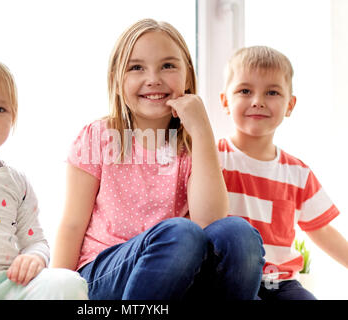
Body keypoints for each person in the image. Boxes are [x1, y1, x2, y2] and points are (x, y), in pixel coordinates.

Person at [51, 19, 265, 300]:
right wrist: (54, 290)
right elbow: (72, 225)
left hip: (176, 274)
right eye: (136, 67)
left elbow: (210, 221)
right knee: (180, 233)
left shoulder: (193, 148)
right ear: (117, 80)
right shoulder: (99, 136)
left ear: (187, 76)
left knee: (237, 233)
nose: (153, 78)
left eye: (168, 66)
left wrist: (201, 131)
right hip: (105, 274)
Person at [0, 56, 88, 300]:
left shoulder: (15, 181)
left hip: (6, 284)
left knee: (67, 282)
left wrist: (34, 257)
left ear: (13, 118)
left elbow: (36, 240)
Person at [218, 46, 348, 300]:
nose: (258, 100)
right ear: (225, 101)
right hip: (229, 279)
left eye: (272, 92)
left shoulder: (298, 173)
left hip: (281, 284)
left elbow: (321, 231)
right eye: (245, 90)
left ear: (290, 105)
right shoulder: (213, 159)